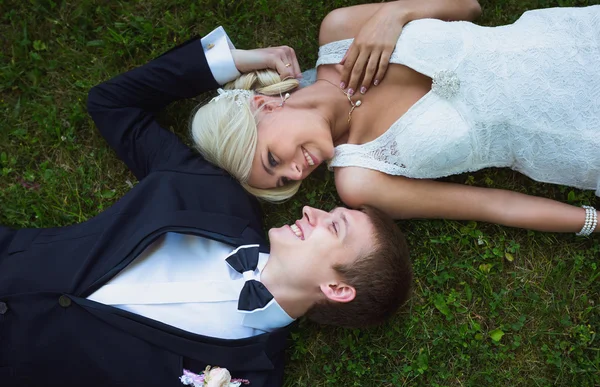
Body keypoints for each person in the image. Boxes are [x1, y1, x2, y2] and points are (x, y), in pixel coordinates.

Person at [0, 29, 412, 387]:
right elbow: (112, 103)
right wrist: (234, 60)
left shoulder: (254, 382)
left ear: (337, 290)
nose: (309, 207)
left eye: (334, 225)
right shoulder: (211, 193)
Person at [190, 1, 600, 235]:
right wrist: (592, 222)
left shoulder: (339, 31)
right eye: (284, 181)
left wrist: (395, 13)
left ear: (263, 107)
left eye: (273, 160)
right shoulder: (359, 179)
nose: (298, 172)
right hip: (579, 138)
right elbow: (490, 205)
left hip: (573, 40)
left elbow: (470, 5)